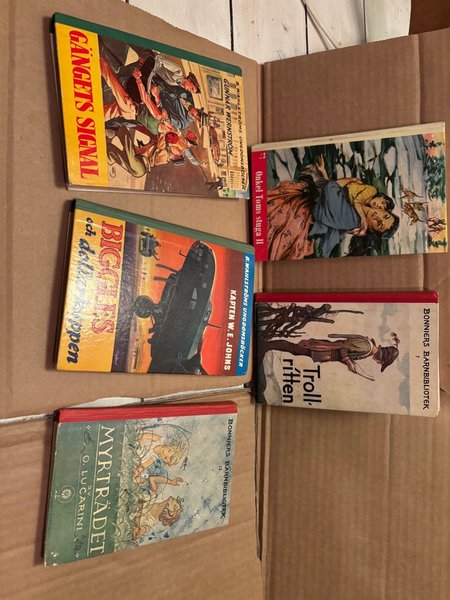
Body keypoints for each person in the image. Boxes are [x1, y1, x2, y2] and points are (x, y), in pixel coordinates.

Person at [292, 333, 399, 377]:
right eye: (381, 362)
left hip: (326, 354)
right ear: (381, 356)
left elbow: (348, 353)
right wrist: (349, 363)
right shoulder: (366, 348)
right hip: (324, 351)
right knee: (294, 350)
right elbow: (343, 348)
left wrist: (352, 364)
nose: (378, 363)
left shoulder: (368, 351)